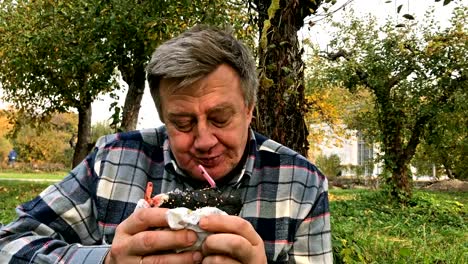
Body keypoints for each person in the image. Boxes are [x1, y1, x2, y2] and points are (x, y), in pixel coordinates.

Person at [0, 25, 332, 263]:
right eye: (183, 123)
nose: (204, 141)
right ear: (163, 117)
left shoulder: (300, 183)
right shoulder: (115, 159)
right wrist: (106, 260)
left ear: (249, 110)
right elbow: (9, 243)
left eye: (220, 118)